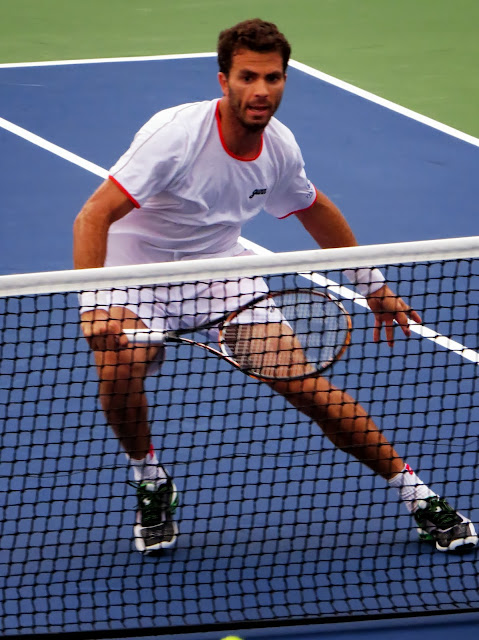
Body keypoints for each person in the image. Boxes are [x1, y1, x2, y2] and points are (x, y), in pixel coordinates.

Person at [73, 18, 477, 555]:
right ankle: (149, 478)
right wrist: (97, 305)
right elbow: (93, 215)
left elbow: (315, 210)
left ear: (285, 80)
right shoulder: (175, 138)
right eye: (247, 77)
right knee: (118, 373)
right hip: (135, 274)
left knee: (303, 385)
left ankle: (418, 496)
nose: (261, 90)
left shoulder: (278, 147)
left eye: (272, 77)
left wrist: (373, 285)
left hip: (219, 271)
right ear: (224, 80)